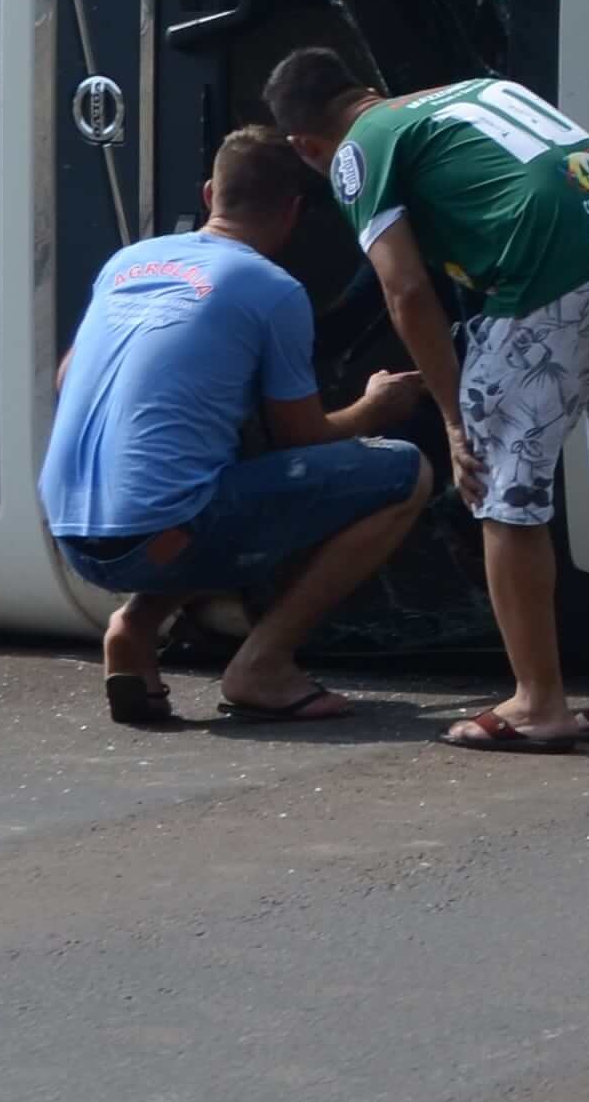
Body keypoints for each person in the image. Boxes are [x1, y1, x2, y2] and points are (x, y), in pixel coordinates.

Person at [266, 49, 589, 754]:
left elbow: (404, 291)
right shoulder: (486, 90)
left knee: (503, 490)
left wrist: (456, 417)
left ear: (305, 146)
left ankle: (536, 703)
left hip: (548, 273)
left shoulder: (355, 153)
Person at [39, 125, 437, 731]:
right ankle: (263, 663)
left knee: (205, 470)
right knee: (407, 474)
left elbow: (68, 380)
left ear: (209, 194)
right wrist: (375, 406)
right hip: (158, 536)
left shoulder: (128, 262)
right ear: (296, 210)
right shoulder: (271, 289)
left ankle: (135, 627)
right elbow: (302, 436)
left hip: (68, 534)